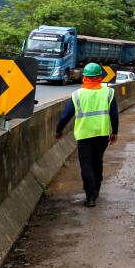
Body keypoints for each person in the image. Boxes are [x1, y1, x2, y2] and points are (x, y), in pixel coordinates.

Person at [55, 63, 118, 208]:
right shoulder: (109, 92)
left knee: (86, 164)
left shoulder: (78, 94)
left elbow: (65, 116)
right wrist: (115, 132)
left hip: (84, 135)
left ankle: (90, 197)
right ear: (100, 77)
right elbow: (114, 115)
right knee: (97, 161)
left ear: (84, 77)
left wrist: (59, 130)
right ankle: (96, 191)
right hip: (101, 134)